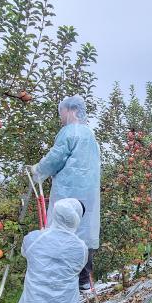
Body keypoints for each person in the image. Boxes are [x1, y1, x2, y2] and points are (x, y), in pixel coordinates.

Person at [31, 95, 100, 291]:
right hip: (89, 192)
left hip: (69, 189)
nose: (61, 116)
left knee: (63, 227)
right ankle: (84, 278)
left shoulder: (69, 132)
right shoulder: (90, 134)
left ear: (71, 111)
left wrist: (38, 170)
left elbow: (55, 158)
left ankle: (62, 276)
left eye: (62, 112)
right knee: (84, 230)